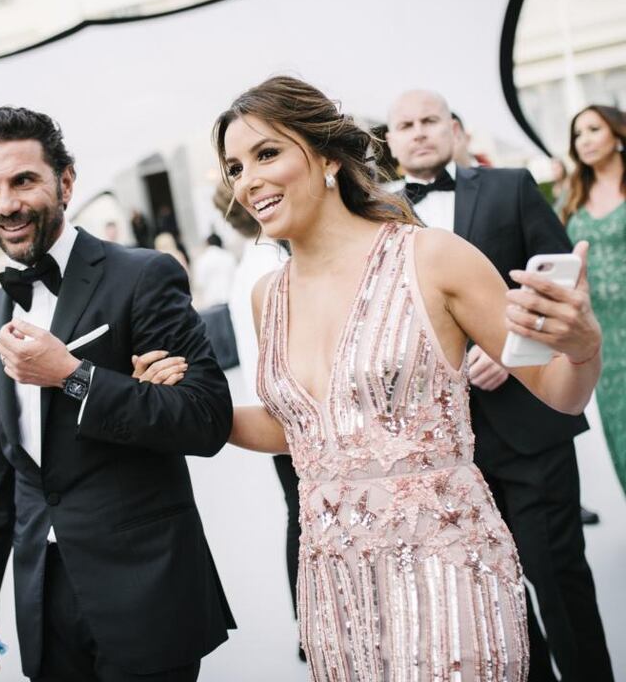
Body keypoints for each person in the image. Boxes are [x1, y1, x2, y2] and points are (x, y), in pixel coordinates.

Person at [204, 76, 601, 681]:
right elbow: (299, 431)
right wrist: (171, 409)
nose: (248, 180)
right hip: (335, 583)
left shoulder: (432, 256)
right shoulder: (269, 295)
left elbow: (557, 391)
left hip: (446, 571)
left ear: (328, 156)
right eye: (235, 167)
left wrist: (581, 349)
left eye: (266, 154)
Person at [0, 107, 235, 682]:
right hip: (45, 601)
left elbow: (205, 420)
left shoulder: (144, 276)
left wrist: (72, 375)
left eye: (23, 180)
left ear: (66, 182)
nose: (5, 204)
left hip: (147, 587)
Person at [386, 89, 613, 682]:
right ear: (390, 142)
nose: (419, 132)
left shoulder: (510, 188)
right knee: (493, 595)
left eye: (430, 120)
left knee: (558, 574)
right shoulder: (378, 218)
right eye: (405, 125)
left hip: (528, 420)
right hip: (441, 448)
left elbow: (563, 288)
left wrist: (513, 354)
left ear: (454, 129)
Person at [213, 185, 301, 654]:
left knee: (300, 516)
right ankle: (311, 624)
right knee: (305, 520)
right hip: (289, 413)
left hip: (269, 404)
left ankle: (308, 626)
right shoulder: (273, 266)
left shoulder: (251, 264)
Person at [562, 104, 626, 498]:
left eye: (592, 129)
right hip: (604, 337)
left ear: (617, 134)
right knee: (621, 434)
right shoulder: (573, 195)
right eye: (577, 134)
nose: (583, 140)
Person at [194, 233, 237, 309]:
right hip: (230, 297)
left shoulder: (202, 260)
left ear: (207, 243)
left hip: (212, 301)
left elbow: (200, 282)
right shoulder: (228, 256)